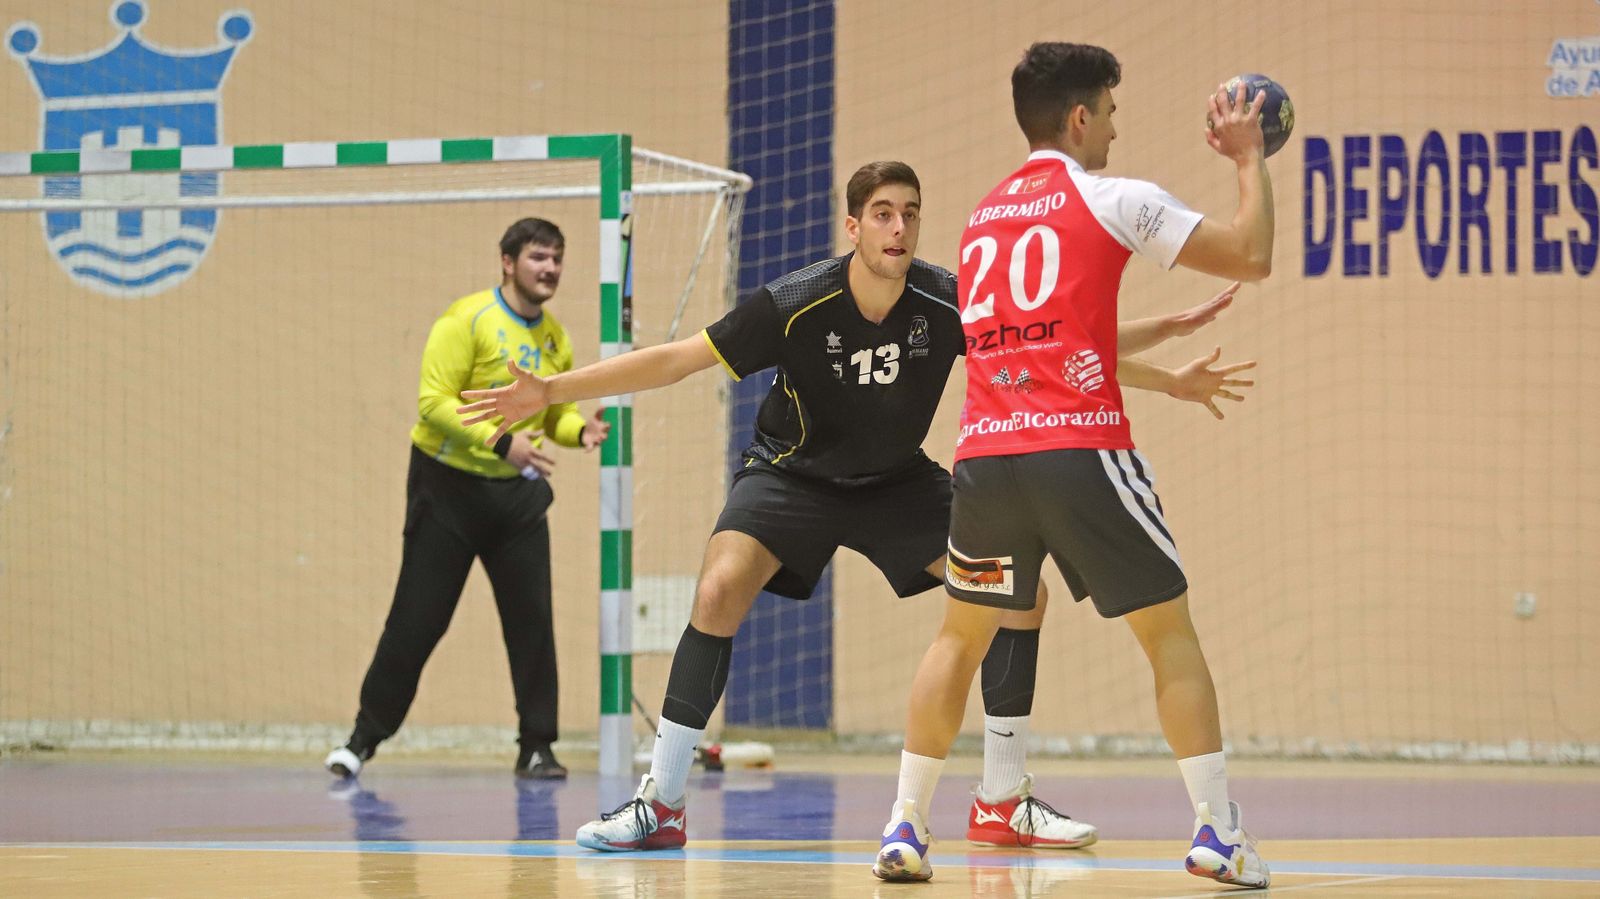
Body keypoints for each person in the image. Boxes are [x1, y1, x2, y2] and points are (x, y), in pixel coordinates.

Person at [458, 162, 1253, 852]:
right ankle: (660, 801)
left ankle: (1002, 799)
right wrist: (550, 390)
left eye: (910, 212)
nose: (899, 226)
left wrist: (1167, 370)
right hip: (790, 475)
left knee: (1021, 595)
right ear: (854, 225)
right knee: (717, 588)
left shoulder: (949, 299)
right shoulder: (796, 302)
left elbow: (1057, 345)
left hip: (897, 483)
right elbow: (676, 359)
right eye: (883, 213)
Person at [871, 43, 1276, 888]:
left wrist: (1164, 351)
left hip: (985, 458)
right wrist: (1249, 158)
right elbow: (1250, 253)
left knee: (958, 636)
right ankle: (1217, 832)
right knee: (1170, 636)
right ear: (1081, 117)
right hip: (1080, 447)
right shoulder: (1113, 197)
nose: (1118, 132)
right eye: (1113, 114)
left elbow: (1043, 337)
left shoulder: (982, 220)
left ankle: (905, 823)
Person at [324, 217, 610, 782]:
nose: (550, 268)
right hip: (447, 490)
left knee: (532, 622)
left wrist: (578, 432)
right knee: (417, 621)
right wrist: (504, 444)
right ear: (507, 262)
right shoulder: (466, 320)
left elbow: (553, 413)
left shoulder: (554, 338)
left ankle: (536, 747)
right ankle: (362, 740)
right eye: (537, 257)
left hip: (515, 503)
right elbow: (433, 403)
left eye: (557, 258)